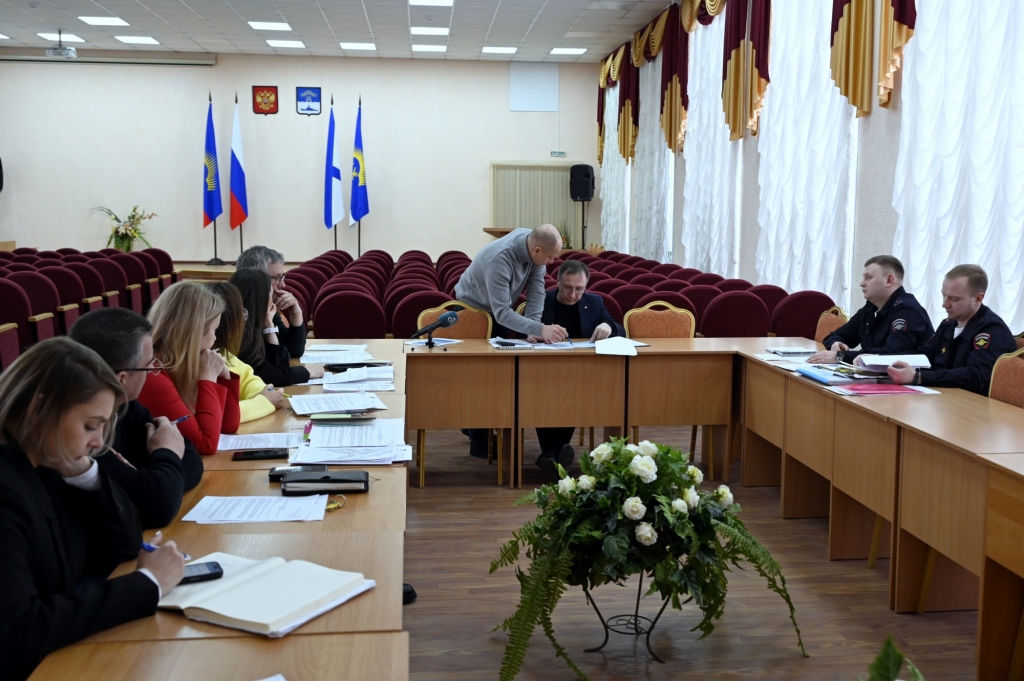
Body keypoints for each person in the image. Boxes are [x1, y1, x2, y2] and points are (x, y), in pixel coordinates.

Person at [0, 338, 185, 680]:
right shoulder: (7, 488)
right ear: (39, 410)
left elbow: (126, 544)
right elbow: (19, 629)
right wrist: (147, 584)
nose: (99, 442)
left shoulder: (47, 461)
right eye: (90, 426)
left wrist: (85, 475)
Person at [68, 308, 203, 529]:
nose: (154, 369)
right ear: (122, 378)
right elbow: (159, 506)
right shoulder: (83, 435)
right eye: (149, 364)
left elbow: (191, 460)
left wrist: (151, 480)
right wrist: (165, 456)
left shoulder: (125, 406)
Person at [454, 225, 567, 459]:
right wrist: (540, 328)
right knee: (481, 376)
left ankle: (475, 425)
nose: (553, 262)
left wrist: (534, 328)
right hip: (472, 309)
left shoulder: (534, 248)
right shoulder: (500, 258)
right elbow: (503, 313)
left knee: (498, 375)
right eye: (550, 257)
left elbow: (536, 292)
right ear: (537, 250)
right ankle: (479, 441)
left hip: (496, 310)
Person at [533, 260, 625, 472]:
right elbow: (520, 330)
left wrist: (608, 325)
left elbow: (620, 329)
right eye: (567, 287)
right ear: (557, 282)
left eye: (579, 289)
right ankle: (555, 452)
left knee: (570, 392)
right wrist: (533, 333)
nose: (573, 294)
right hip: (543, 369)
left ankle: (551, 453)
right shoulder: (542, 300)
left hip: (580, 372)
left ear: (586, 287)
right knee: (545, 393)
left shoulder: (594, 302)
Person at [137, 282, 241, 456]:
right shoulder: (153, 375)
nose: (214, 339)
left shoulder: (177, 367)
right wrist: (208, 378)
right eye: (214, 331)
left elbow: (228, 427)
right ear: (195, 333)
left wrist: (224, 377)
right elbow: (205, 444)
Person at [887, 264, 1017, 395]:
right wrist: (882, 361)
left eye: (954, 299)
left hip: (973, 403)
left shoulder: (992, 330)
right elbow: (923, 355)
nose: (944, 304)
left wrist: (918, 377)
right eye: (943, 295)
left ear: (978, 298)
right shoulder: (948, 325)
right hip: (944, 397)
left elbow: (974, 376)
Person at [808, 255, 933, 364]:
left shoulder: (907, 311)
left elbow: (891, 355)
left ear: (889, 280)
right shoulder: (871, 308)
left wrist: (840, 356)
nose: (862, 283)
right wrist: (835, 344)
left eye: (868, 278)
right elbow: (836, 335)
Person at [230, 269, 324, 386]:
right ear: (260, 299)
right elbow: (272, 375)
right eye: (270, 295)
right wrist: (308, 372)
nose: (273, 298)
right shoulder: (239, 331)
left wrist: (271, 325)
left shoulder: (264, 317)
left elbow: (286, 359)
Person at [208, 281, 284, 422]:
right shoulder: (193, 363)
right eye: (241, 312)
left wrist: (263, 392)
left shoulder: (222, 353)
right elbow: (218, 415)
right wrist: (263, 401)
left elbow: (249, 381)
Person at [235, 245, 307, 358]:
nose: (283, 285)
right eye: (276, 278)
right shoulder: (237, 312)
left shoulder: (265, 307)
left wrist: (296, 313)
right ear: (256, 277)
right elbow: (268, 363)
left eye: (282, 277)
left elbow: (294, 350)